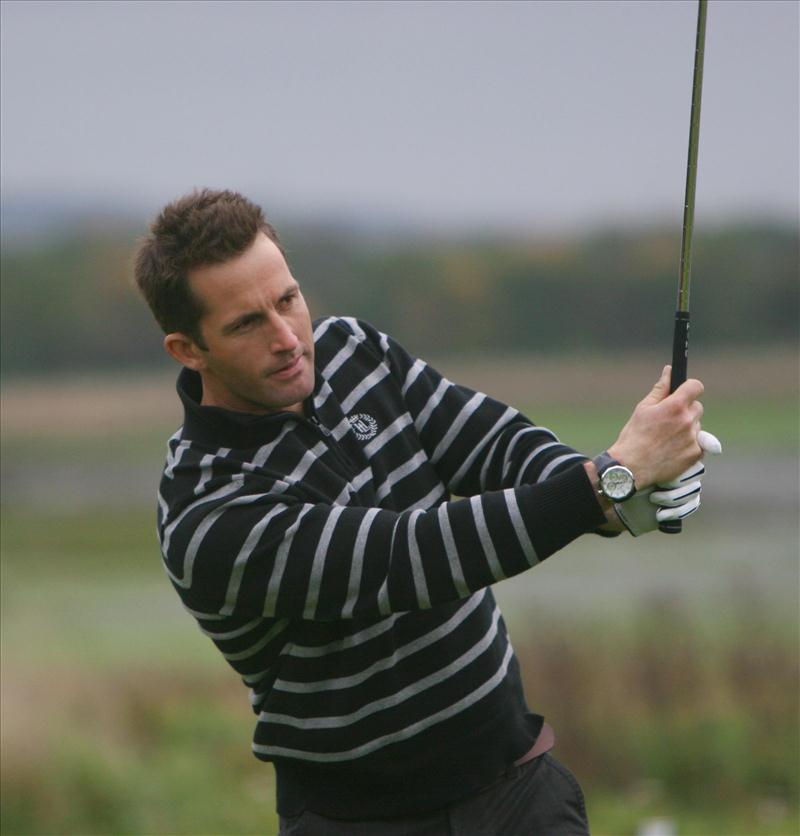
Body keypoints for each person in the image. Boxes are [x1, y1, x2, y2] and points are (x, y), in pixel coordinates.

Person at [134, 188, 720, 835]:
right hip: (359, 818)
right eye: (247, 323)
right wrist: (606, 482)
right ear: (188, 349)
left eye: (288, 300)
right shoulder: (207, 511)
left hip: (516, 786)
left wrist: (620, 496)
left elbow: (496, 443)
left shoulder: (353, 352)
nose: (287, 339)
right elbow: (412, 556)